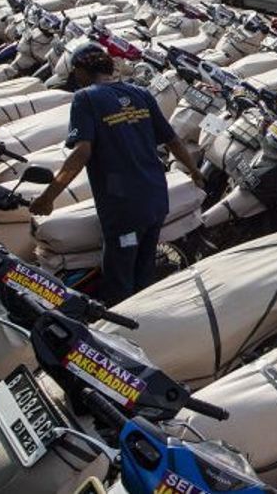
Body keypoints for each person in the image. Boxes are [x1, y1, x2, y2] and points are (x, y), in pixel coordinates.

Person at [29, 44, 203, 304]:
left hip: (124, 204)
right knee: (143, 270)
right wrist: (194, 171)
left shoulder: (85, 98)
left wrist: (48, 197)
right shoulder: (141, 93)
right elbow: (173, 140)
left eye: (76, 73)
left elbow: (81, 153)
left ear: (81, 70)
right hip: (155, 197)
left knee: (119, 278)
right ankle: (143, 318)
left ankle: (118, 328)